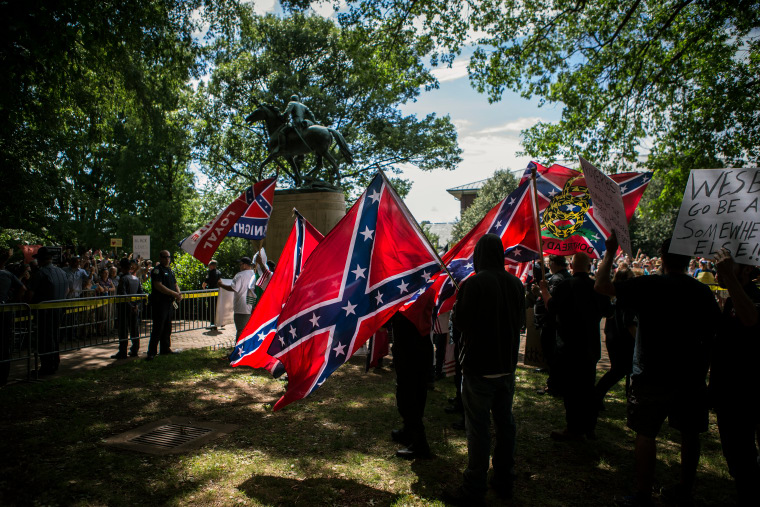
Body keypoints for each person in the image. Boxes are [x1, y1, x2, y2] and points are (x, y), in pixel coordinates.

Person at [595, 234, 720, 507]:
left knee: (646, 432)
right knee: (689, 434)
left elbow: (602, 285)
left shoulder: (648, 285)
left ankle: (642, 494)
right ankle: (685, 489)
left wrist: (610, 252)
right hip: (690, 374)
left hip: (651, 371)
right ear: (688, 259)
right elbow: (714, 333)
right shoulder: (701, 292)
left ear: (662, 258)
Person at [446, 234, 525, 505]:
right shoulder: (516, 284)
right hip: (506, 367)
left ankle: (474, 487)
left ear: (479, 255)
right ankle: (505, 479)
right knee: (505, 426)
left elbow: (462, 323)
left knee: (478, 429)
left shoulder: (474, 283)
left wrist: (457, 306)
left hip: (479, 368)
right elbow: (520, 323)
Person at [540, 252, 612, 440]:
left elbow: (552, 307)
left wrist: (545, 292)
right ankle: (589, 427)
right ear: (589, 267)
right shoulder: (596, 286)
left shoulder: (566, 285)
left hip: (569, 345)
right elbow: (608, 311)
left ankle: (573, 428)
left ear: (571, 266)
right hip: (590, 345)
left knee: (571, 391)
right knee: (588, 387)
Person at [710, 248, 760, 505]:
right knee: (736, 456)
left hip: (748, 393)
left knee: (745, 457)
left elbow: (751, 318)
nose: (720, 266)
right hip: (728, 394)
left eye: (730, 264)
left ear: (748, 269)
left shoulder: (754, 296)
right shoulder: (731, 299)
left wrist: (728, 277)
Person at [390, 311, 433, 459]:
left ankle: (419, 444)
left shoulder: (409, 293)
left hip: (410, 348)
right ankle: (409, 431)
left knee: (408, 397)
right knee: (415, 392)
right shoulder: (421, 289)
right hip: (419, 346)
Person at [595, 267, 637, 410]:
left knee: (623, 371)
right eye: (630, 278)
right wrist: (638, 341)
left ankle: (627, 398)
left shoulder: (616, 297)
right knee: (620, 371)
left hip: (613, 337)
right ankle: (596, 395)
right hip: (623, 340)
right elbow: (629, 323)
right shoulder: (626, 299)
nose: (633, 281)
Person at [26, 246, 70, 375]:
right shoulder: (62, 272)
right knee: (54, 337)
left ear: (41, 260)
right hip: (59, 310)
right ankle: (54, 363)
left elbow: (30, 293)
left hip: (44, 312)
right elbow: (67, 290)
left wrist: (26, 306)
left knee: (45, 339)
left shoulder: (40, 273)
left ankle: (47, 366)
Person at [532, 254, 571, 395]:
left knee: (551, 353)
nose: (548, 265)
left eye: (550, 262)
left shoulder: (556, 279)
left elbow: (552, 303)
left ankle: (553, 385)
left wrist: (540, 292)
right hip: (561, 322)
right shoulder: (567, 277)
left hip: (551, 322)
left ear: (555, 263)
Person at [146, 250, 182, 360]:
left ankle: (165, 348)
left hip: (169, 303)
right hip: (160, 303)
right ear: (161, 258)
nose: (167, 259)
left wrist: (178, 294)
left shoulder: (170, 271)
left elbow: (175, 284)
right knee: (158, 327)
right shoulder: (157, 270)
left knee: (167, 327)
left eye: (169, 257)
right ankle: (151, 352)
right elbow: (158, 285)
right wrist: (174, 293)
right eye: (165, 257)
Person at [1, 249, 26, 385]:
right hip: (6, 311)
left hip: (5, 311)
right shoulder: (7, 274)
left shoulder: (6, 274)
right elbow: (22, 288)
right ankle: (3, 376)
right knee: (5, 343)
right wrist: (14, 302)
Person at [111, 258, 144, 359]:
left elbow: (123, 294)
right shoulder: (136, 279)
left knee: (123, 330)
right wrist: (136, 305)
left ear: (121, 267)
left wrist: (130, 305)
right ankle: (135, 349)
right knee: (134, 329)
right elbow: (141, 294)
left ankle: (123, 351)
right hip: (134, 309)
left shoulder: (123, 279)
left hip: (124, 308)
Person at [218, 256, 254, 340]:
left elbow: (233, 288)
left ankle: (238, 350)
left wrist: (221, 285)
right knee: (249, 330)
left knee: (240, 330)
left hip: (241, 307)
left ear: (245, 265)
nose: (239, 266)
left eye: (240, 264)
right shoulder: (254, 273)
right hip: (252, 306)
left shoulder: (240, 275)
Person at [202, 260, 222, 330]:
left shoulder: (210, 273)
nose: (209, 267)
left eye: (209, 265)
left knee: (211, 309)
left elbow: (205, 283)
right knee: (216, 308)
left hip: (211, 293)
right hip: (217, 293)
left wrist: (204, 289)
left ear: (213, 266)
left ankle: (213, 324)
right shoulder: (219, 272)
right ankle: (217, 324)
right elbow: (220, 282)